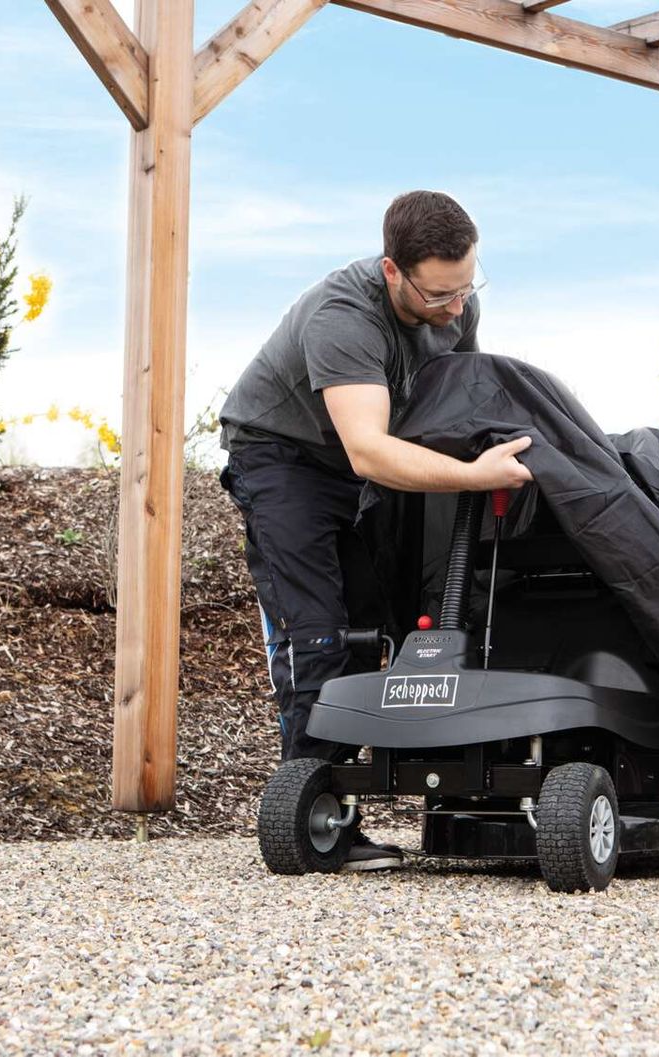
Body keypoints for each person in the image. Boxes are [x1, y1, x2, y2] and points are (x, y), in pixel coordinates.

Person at [219, 191, 531, 870]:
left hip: (360, 470)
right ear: (393, 272)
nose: (456, 308)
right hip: (283, 458)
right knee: (319, 637)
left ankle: (336, 816)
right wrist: (475, 476)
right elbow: (368, 448)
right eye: (439, 293)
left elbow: (458, 404)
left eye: (467, 286)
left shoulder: (457, 306)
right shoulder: (344, 315)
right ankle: (303, 824)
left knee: (374, 634)